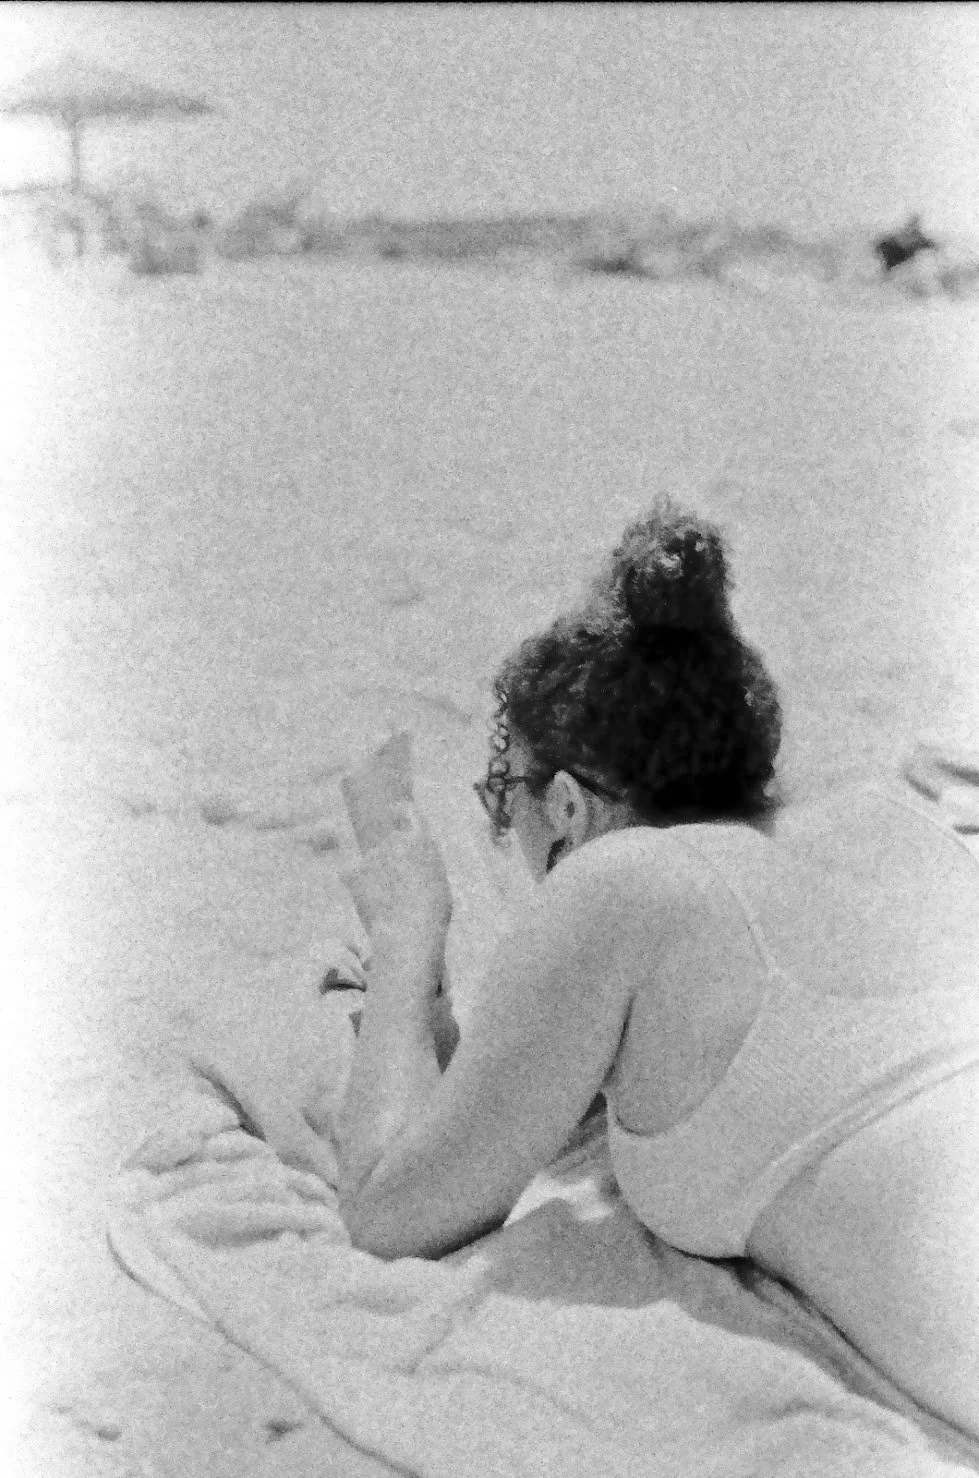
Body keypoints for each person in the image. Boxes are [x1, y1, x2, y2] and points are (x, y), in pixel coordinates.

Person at [334, 499, 979, 1440]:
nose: (498, 828)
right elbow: (523, 1110)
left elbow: (393, 1213)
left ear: (562, 806)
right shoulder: (888, 824)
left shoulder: (619, 884)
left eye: (499, 796)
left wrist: (406, 941)